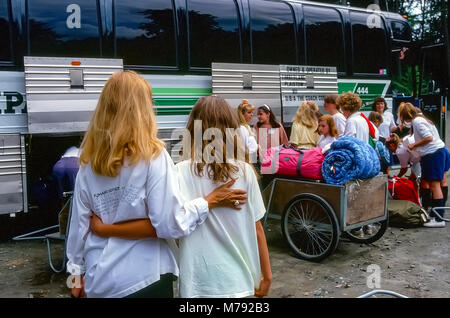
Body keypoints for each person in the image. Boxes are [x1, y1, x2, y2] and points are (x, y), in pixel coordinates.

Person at [66, 71, 248, 298]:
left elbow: (78, 230)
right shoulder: (153, 157)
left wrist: (75, 276)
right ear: (142, 110)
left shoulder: (87, 163)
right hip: (145, 277)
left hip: (99, 281)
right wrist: (206, 203)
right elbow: (169, 224)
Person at [90, 96, 272, 298]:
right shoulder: (245, 172)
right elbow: (257, 229)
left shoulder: (178, 173)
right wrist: (267, 275)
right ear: (231, 128)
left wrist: (105, 228)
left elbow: (169, 225)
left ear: (192, 129)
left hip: (197, 284)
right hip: (239, 281)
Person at [398, 102, 450, 228]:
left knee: (434, 185)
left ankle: (439, 219)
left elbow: (429, 138)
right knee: (433, 182)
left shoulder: (417, 121)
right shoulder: (421, 119)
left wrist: (414, 145)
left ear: (406, 115)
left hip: (433, 153)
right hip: (437, 151)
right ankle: (436, 212)